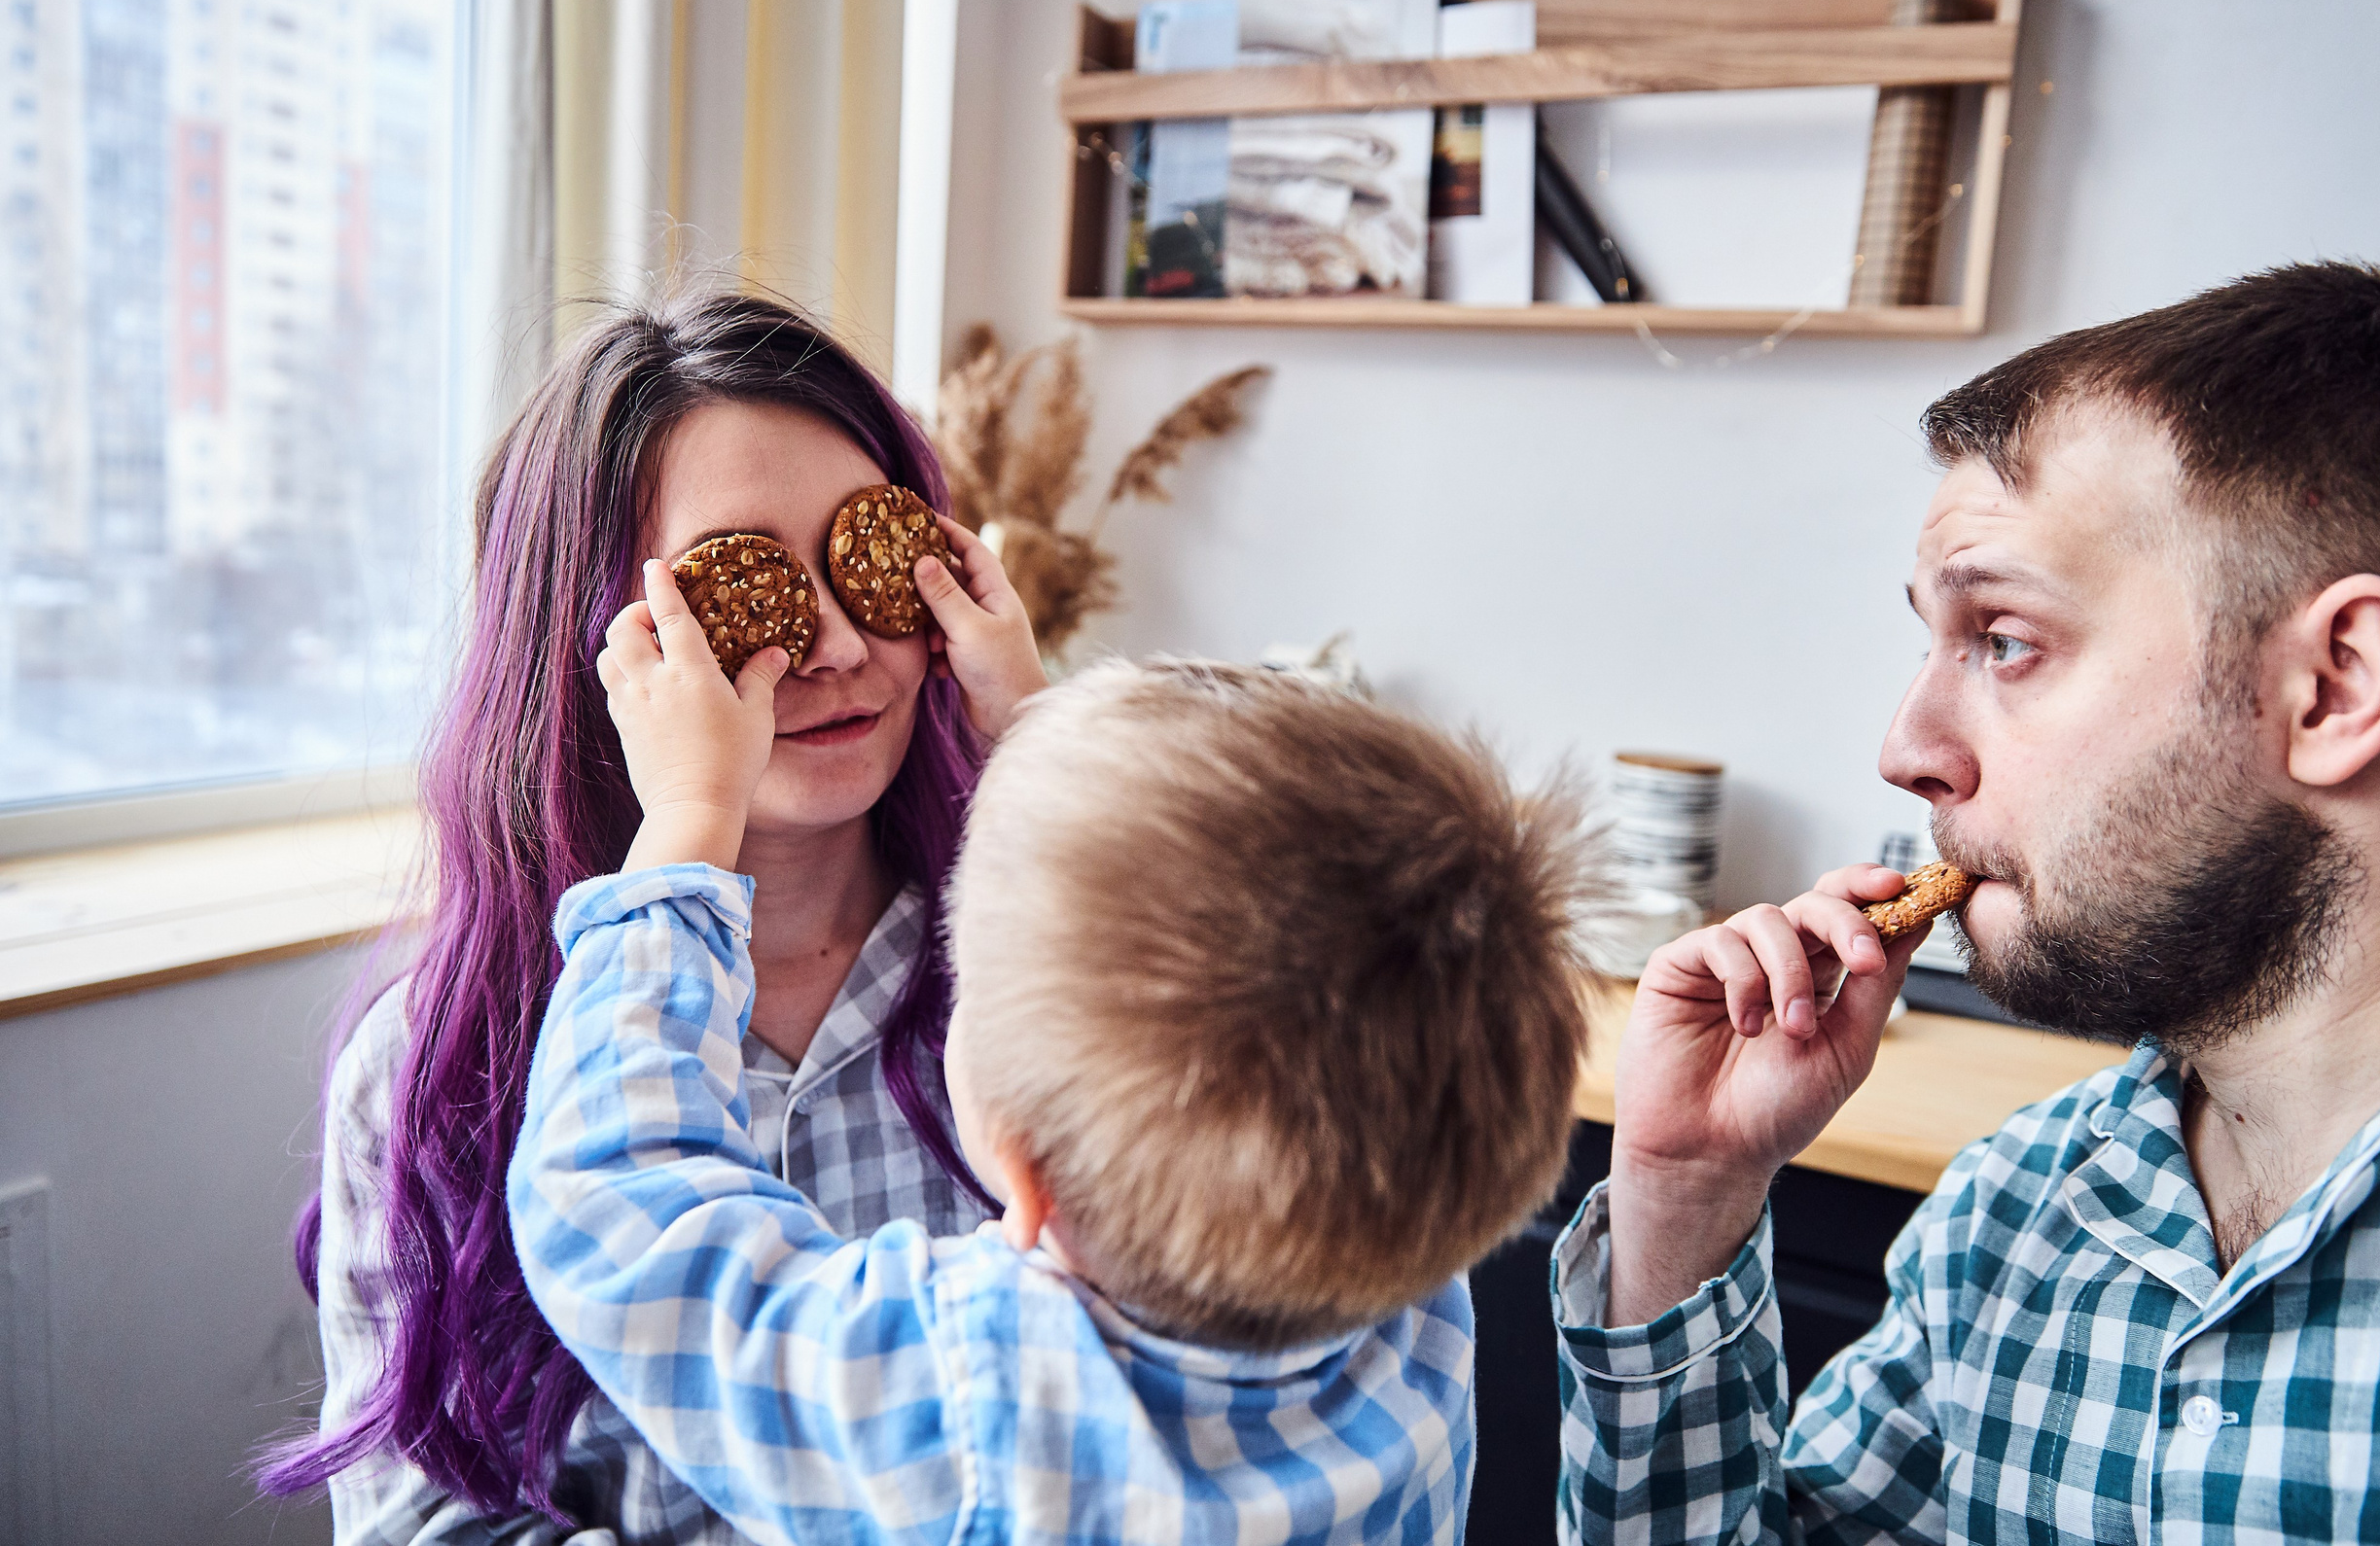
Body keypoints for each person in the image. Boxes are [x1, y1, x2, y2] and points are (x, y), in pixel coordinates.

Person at [1556, 263, 2380, 1544]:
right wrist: (1682, 1197)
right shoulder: (2015, 1205)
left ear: (2331, 685)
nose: (1905, 744)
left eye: (2005, 640)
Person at [260, 293, 1050, 1542]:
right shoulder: (439, 1066)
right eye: (741, 604)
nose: (839, 641)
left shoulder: (1075, 992)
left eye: (871, 560)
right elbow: (426, 1524)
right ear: (589, 646)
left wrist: (1052, 756)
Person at [507, 638, 1599, 1541]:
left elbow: (621, 1188)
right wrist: (1048, 749)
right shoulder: (1411, 1315)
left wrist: (691, 821)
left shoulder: (978, 1402)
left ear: (1023, 1177)